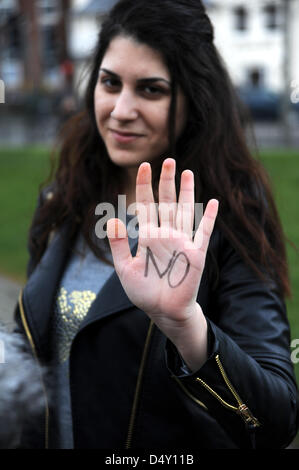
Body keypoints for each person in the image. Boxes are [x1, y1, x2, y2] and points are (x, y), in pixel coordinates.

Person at [14, 0, 298, 449]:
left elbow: (272, 421)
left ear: (193, 101)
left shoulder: (229, 215)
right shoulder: (62, 199)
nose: (121, 109)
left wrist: (187, 326)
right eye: (110, 83)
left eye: (151, 90)